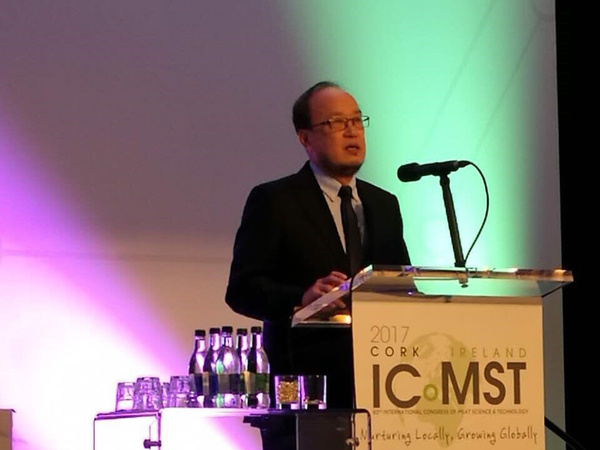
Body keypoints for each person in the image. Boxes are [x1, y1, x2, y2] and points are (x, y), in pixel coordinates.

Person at [225, 81, 410, 409]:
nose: (352, 131)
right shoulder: (275, 200)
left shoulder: (384, 204)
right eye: (336, 122)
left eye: (356, 120)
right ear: (305, 138)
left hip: (384, 387)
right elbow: (242, 290)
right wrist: (302, 298)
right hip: (305, 389)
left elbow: (401, 285)